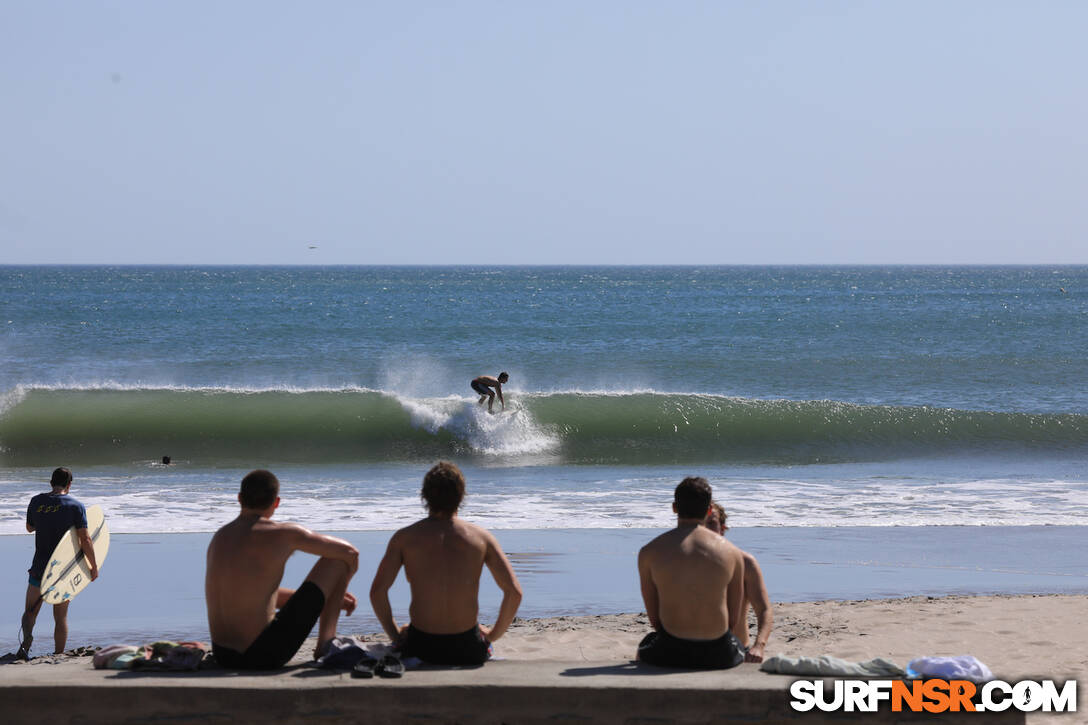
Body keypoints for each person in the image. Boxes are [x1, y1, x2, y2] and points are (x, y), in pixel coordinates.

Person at [370, 461, 522, 665]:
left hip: (420, 646)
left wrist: (396, 636)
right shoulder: (481, 538)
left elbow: (378, 591)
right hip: (467, 647)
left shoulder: (404, 538)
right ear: (461, 495)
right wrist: (492, 635)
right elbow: (514, 592)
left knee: (407, 630)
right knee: (482, 641)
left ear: (424, 495)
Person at [205, 469, 359, 669]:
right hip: (262, 654)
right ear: (276, 502)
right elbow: (350, 553)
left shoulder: (220, 537)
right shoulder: (284, 533)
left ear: (239, 498)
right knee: (337, 560)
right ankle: (326, 645)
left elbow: (249, 596)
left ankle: (326, 641)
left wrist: (329, 599)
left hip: (223, 655)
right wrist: (336, 592)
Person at [636, 476, 745, 669]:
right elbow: (732, 620)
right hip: (718, 653)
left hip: (671, 651)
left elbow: (655, 620)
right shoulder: (732, 552)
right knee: (738, 645)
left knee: (646, 644)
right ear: (709, 509)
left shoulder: (649, 552)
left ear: (674, 508)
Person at [19, 467, 98, 659]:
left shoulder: (36, 501)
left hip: (38, 568)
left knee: (30, 611)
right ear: (69, 484)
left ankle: (25, 644)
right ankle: (58, 654)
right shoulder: (75, 506)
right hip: (62, 571)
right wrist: (93, 567)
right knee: (60, 616)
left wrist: (46, 521)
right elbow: (85, 540)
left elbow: (30, 528)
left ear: (51, 482)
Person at [705, 501, 774, 663]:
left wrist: (759, 646)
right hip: (693, 650)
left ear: (723, 528)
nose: (706, 530)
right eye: (701, 524)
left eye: (711, 523)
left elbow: (764, 609)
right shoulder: (682, 563)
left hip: (736, 649)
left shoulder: (745, 562)